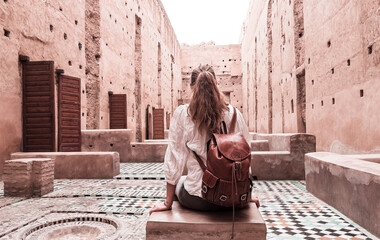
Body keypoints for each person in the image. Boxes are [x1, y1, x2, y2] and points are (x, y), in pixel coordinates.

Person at [149, 65, 259, 215]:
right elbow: (246, 153)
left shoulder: (184, 114)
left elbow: (175, 158)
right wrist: (247, 194)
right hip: (235, 198)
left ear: (191, 87)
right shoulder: (233, 113)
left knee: (181, 182)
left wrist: (167, 203)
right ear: (216, 84)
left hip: (199, 199)